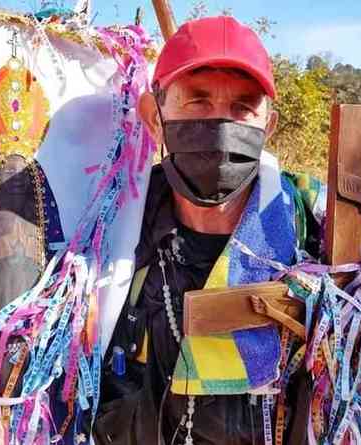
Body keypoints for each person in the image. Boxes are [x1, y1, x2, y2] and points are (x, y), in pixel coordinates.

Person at [92, 16, 326, 445]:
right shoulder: (113, 232)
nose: (220, 126)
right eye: (197, 102)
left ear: (267, 127)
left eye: (242, 108)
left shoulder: (313, 233)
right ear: (154, 116)